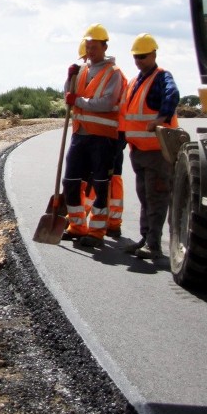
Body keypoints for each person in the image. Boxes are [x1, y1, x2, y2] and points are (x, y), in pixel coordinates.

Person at [61, 24, 126, 249]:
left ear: (105, 47)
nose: (90, 51)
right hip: (80, 134)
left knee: (100, 186)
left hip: (103, 138)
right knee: (70, 181)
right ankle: (77, 226)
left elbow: (107, 102)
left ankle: (97, 230)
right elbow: (69, 96)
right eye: (88, 47)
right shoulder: (82, 70)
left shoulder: (114, 73)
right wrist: (68, 79)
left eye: (94, 47)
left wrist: (78, 101)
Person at [122, 33, 180, 263]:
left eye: (143, 56)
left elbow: (172, 94)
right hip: (139, 151)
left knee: (156, 198)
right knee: (145, 198)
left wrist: (161, 118)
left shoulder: (161, 77)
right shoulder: (137, 80)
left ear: (154, 54)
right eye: (136, 57)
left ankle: (154, 244)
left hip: (157, 151)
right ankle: (145, 238)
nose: (138, 60)